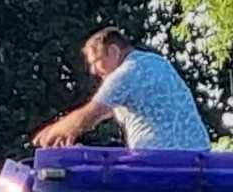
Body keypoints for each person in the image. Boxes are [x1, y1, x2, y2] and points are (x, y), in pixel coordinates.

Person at [31, 26, 210, 151]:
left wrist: (52, 132)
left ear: (114, 51)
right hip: (198, 158)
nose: (93, 71)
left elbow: (91, 115)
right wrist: (71, 130)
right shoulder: (156, 62)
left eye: (96, 61)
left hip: (161, 161)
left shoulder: (127, 72)